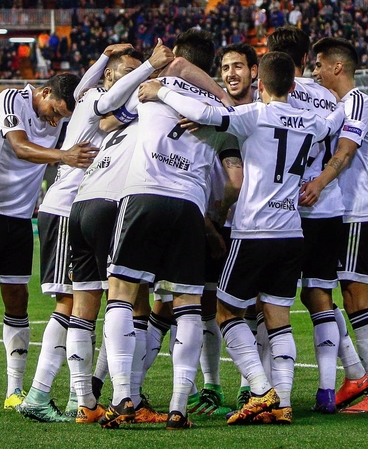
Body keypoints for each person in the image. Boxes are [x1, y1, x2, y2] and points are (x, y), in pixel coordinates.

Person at [139, 50, 346, 425]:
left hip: (253, 230)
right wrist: (347, 97)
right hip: (291, 231)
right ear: (294, 84)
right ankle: (281, 403)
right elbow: (336, 121)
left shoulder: (256, 115)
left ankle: (261, 388)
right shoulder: (313, 122)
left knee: (225, 311)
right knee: (277, 317)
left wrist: (160, 91)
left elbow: (205, 114)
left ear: (260, 84)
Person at [16, 43, 170, 423]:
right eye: (127, 70)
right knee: (71, 306)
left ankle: (81, 399)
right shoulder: (99, 98)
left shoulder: (100, 100)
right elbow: (104, 96)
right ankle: (44, 394)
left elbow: (97, 93)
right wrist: (150, 65)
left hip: (78, 207)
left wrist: (106, 58)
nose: (137, 78)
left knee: (86, 306)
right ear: (109, 78)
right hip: (68, 208)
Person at [102, 29, 238, 430]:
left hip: (144, 193)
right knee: (189, 305)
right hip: (190, 205)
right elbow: (232, 179)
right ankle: (179, 404)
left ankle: (122, 394)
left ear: (176, 55)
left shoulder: (151, 85)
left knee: (122, 292)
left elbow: (106, 113)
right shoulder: (218, 103)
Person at [0, 73, 97, 417]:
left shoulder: (58, 111)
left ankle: (15, 389)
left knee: (17, 297)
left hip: (17, 217)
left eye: (61, 117)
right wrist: (64, 155)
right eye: (54, 111)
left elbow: (86, 84)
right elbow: (19, 146)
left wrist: (105, 56)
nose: (55, 120)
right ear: (43, 92)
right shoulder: (11, 100)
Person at [267, 25, 365, 415]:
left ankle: (269, 388)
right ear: (306, 59)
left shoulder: (276, 94)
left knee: (270, 299)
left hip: (285, 207)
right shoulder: (330, 98)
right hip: (328, 205)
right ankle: (328, 389)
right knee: (319, 295)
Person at [300, 36, 368, 414]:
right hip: (340, 213)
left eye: (320, 65)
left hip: (358, 212)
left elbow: (346, 150)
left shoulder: (357, 102)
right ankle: (356, 376)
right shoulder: (341, 105)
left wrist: (317, 184)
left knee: (357, 299)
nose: (316, 72)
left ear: (337, 66)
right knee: (318, 293)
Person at [185, 43, 254, 418]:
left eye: (239, 66)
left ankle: (249, 388)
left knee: (253, 307)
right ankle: (211, 385)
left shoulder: (263, 111)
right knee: (207, 306)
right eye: (226, 67)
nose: (231, 73)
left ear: (254, 71)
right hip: (215, 221)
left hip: (252, 223)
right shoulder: (211, 111)